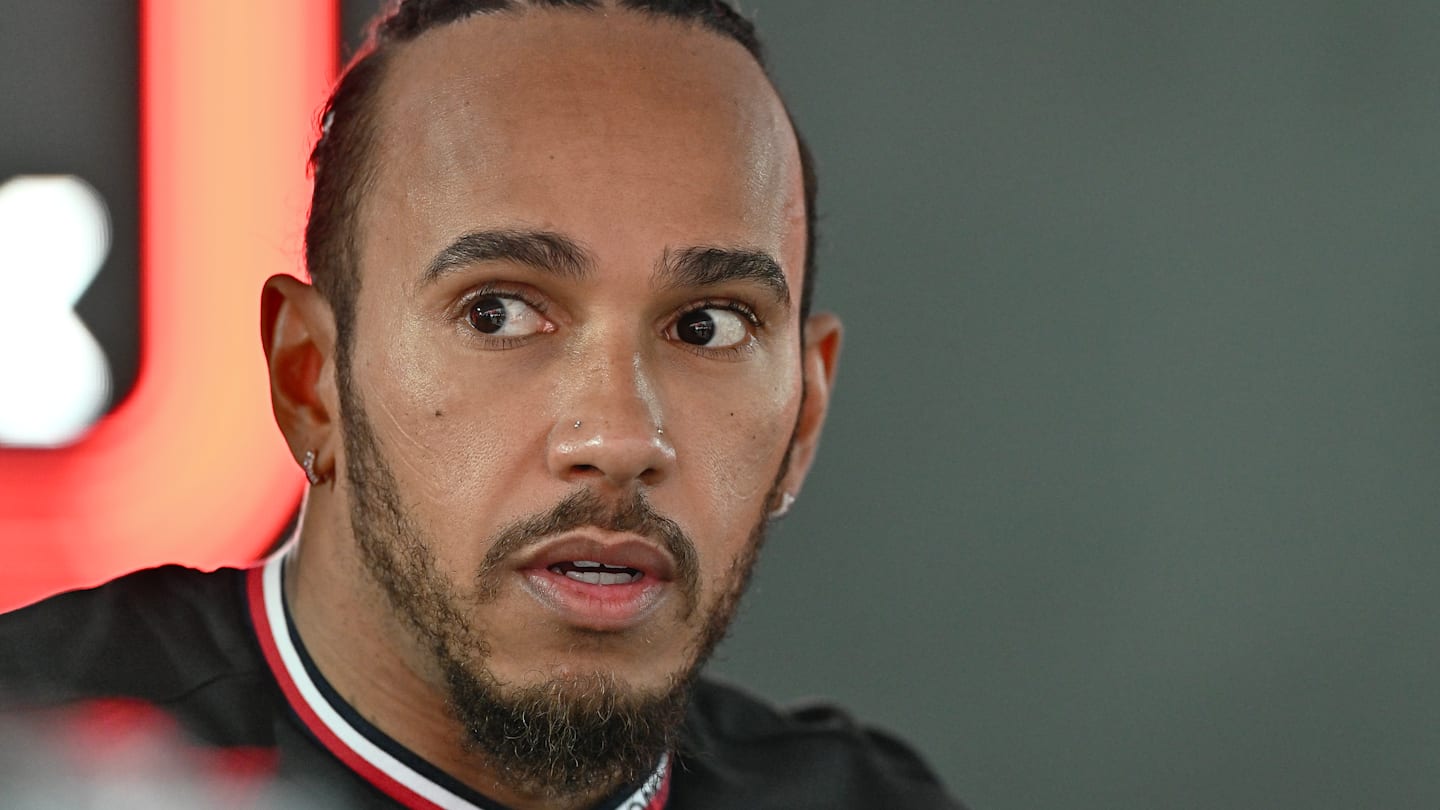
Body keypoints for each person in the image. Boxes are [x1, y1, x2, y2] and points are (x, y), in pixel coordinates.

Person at [0, 1, 964, 807]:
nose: (620, 437)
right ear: (309, 381)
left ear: (802, 416)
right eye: (499, 312)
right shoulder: (37, 751)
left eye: (707, 327)